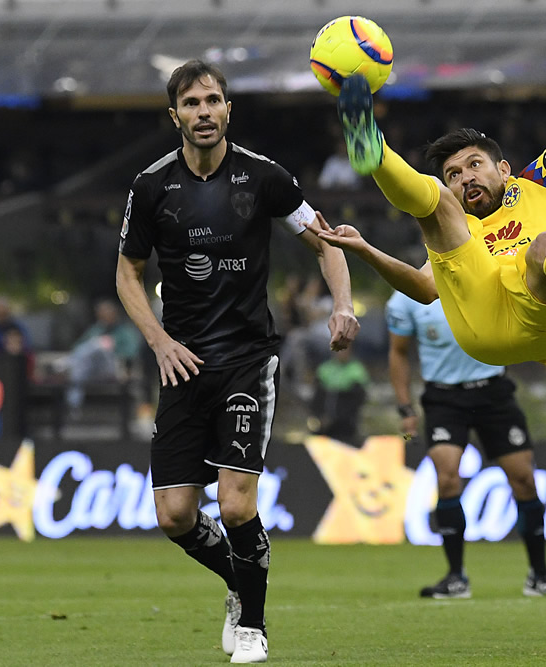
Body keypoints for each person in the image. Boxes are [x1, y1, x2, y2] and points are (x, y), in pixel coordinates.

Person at [115, 59, 360, 663]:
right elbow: (128, 273)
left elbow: (327, 243)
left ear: (229, 109)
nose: (204, 112)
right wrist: (159, 341)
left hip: (249, 361)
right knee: (174, 515)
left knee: (234, 505)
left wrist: (343, 305)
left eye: (214, 101)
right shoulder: (151, 187)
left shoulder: (265, 178)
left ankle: (251, 624)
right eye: (192, 103)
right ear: (175, 116)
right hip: (182, 366)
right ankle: (239, 580)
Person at [315, 17, 546, 372]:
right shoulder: (458, 224)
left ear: (503, 169)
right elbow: (425, 288)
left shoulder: (541, 181)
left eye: (474, 165)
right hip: (483, 331)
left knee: (545, 246)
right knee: (436, 202)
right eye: (453, 174)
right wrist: (365, 250)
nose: (465, 178)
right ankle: (374, 151)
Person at [387, 290, 546, 599]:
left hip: (493, 394)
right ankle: (455, 578)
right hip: (443, 398)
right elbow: (398, 352)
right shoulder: (405, 298)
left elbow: (532, 325)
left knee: (524, 480)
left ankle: (540, 575)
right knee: (447, 478)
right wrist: (405, 408)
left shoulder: (487, 278)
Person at [65, 299, 142, 410]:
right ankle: (73, 407)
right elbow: (78, 347)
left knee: (98, 345)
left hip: (115, 367)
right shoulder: (96, 329)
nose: (103, 317)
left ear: (114, 313)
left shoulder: (125, 331)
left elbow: (131, 352)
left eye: (106, 313)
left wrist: (112, 348)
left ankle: (65, 364)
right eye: (101, 314)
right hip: (93, 370)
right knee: (81, 367)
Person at [309, 344, 370, 443]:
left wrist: (336, 418)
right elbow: (317, 397)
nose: (341, 352)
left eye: (345, 349)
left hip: (346, 424)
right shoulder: (325, 369)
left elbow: (356, 400)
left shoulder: (357, 370)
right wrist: (320, 416)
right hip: (324, 423)